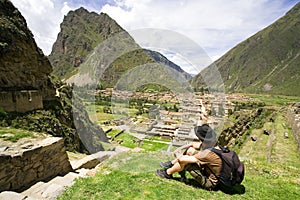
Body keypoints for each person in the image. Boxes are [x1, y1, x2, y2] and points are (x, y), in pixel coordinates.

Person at [155, 124, 222, 190]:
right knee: (190, 150)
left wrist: (178, 155)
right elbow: (192, 144)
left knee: (186, 162)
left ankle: (167, 173)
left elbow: (181, 159)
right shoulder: (212, 145)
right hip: (208, 172)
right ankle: (171, 164)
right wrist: (179, 149)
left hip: (210, 183)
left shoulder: (207, 153)